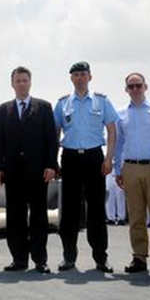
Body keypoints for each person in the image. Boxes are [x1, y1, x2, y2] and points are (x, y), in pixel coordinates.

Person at [53, 61, 118, 273]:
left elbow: (111, 130)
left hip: (94, 158)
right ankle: (68, 257)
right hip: (71, 158)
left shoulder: (102, 101)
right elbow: (55, 133)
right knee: (69, 211)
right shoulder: (63, 103)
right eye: (76, 75)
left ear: (90, 77)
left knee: (97, 210)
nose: (79, 78)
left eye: (83, 74)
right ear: (71, 78)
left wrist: (109, 159)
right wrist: (53, 161)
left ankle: (101, 258)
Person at [0, 66, 57, 274]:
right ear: (12, 84)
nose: (21, 84)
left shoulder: (44, 107)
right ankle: (19, 259)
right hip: (12, 173)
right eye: (17, 81)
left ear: (30, 82)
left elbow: (51, 139)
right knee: (15, 217)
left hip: (37, 172)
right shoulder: (3, 110)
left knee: (39, 216)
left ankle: (40, 260)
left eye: (24, 80)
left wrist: (51, 165)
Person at [114, 72, 150, 276]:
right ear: (126, 90)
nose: (135, 89)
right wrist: (118, 169)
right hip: (130, 168)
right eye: (131, 86)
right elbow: (119, 144)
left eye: (138, 85)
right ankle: (139, 257)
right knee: (135, 216)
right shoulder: (121, 114)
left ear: (146, 86)